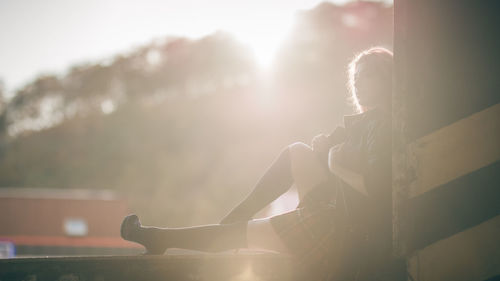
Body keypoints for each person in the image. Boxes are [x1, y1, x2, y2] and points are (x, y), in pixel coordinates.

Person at [120, 47, 393, 280]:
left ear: (387, 80)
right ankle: (239, 213)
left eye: (366, 75)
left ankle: (160, 239)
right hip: (337, 213)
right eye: (354, 76)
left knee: (239, 235)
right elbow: (329, 158)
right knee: (298, 150)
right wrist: (325, 150)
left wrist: (335, 163)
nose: (357, 82)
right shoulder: (360, 125)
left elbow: (376, 188)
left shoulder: (382, 125)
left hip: (340, 233)